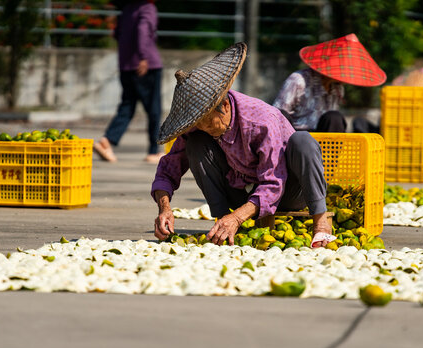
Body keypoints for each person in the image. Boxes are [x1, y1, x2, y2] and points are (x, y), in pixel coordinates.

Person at [151, 43, 335, 248]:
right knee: (195, 143)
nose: (204, 128)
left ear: (225, 106)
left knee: (303, 141)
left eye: (208, 122)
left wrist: (237, 218)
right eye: (197, 124)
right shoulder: (198, 127)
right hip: (243, 191)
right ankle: (221, 224)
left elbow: (273, 184)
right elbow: (169, 169)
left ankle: (320, 223)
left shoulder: (262, 121)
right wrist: (164, 208)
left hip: (287, 190)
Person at [93, 0, 163, 163]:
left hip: (126, 66)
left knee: (127, 106)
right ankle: (153, 151)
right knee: (154, 109)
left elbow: (117, 34)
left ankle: (107, 141)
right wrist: (143, 56)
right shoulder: (148, 8)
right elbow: (143, 30)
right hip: (146, 65)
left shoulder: (127, 8)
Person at [273, 33, 386, 133]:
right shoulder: (298, 80)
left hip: (324, 140)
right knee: (280, 115)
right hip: (298, 136)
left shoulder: (338, 89)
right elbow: (277, 114)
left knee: (334, 117)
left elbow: (331, 124)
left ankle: (330, 157)